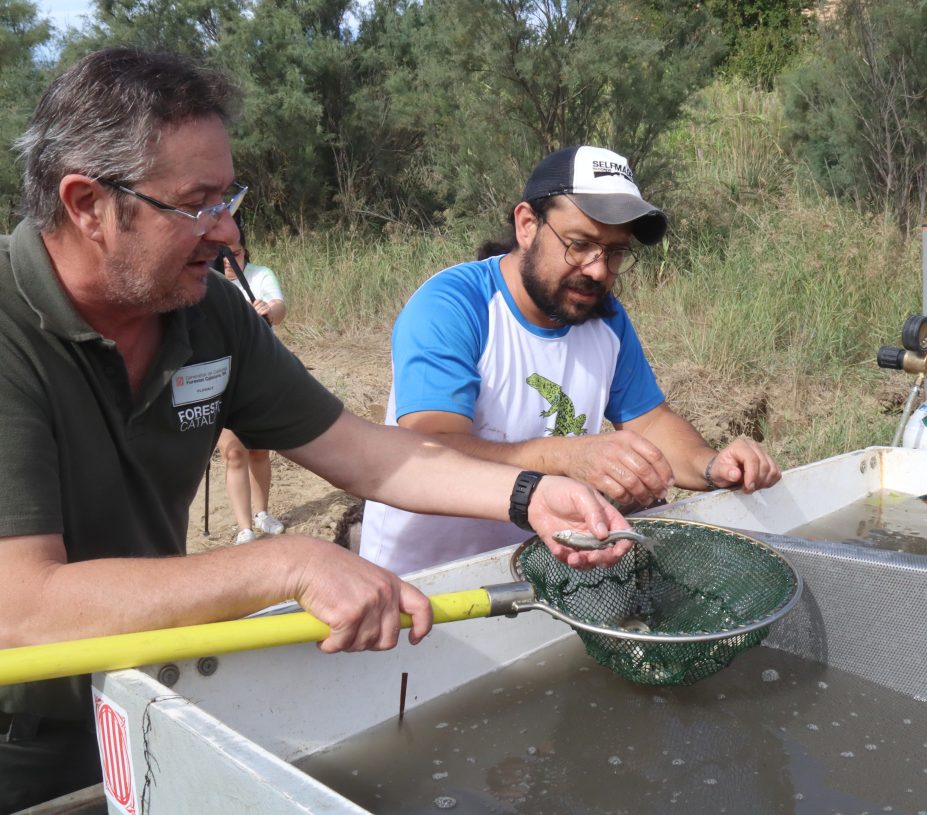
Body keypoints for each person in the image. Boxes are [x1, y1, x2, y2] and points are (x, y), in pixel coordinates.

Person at [0, 48, 630, 812]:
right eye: (196, 204)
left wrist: (529, 494)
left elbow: (363, 452)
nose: (227, 231)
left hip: (138, 686)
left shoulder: (207, 312)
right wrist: (285, 564)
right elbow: (22, 612)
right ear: (86, 203)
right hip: (19, 729)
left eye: (228, 196)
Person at [359, 145, 782, 574]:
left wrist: (711, 465)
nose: (598, 270)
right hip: (424, 580)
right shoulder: (455, 305)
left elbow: (650, 422)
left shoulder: (605, 318)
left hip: (544, 570)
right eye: (579, 245)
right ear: (527, 225)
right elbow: (432, 449)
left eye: (615, 253)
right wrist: (567, 458)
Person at [213, 226, 289, 543]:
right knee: (233, 453)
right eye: (222, 255)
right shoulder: (205, 282)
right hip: (222, 377)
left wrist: (267, 311)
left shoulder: (259, 276)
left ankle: (262, 514)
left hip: (258, 372)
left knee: (259, 450)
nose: (229, 261)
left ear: (245, 252)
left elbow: (278, 307)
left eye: (236, 253)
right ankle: (244, 527)